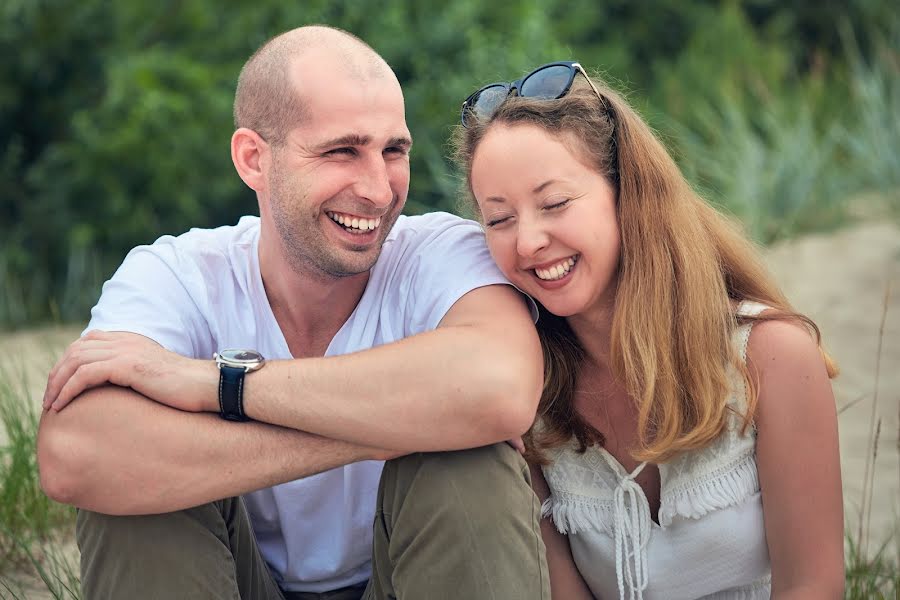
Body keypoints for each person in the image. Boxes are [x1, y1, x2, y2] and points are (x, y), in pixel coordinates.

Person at [37, 26, 552, 600]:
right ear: (254, 159)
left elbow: (501, 388)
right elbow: (74, 455)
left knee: (470, 470)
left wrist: (218, 384)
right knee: (130, 492)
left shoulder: (439, 253)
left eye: (393, 151)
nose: (379, 190)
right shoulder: (177, 273)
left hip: (404, 576)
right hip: (230, 576)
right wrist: (392, 429)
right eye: (342, 150)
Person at [452, 61, 845, 599]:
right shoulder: (527, 395)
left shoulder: (770, 356)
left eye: (555, 203)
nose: (527, 242)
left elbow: (813, 587)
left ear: (626, 193)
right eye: (499, 219)